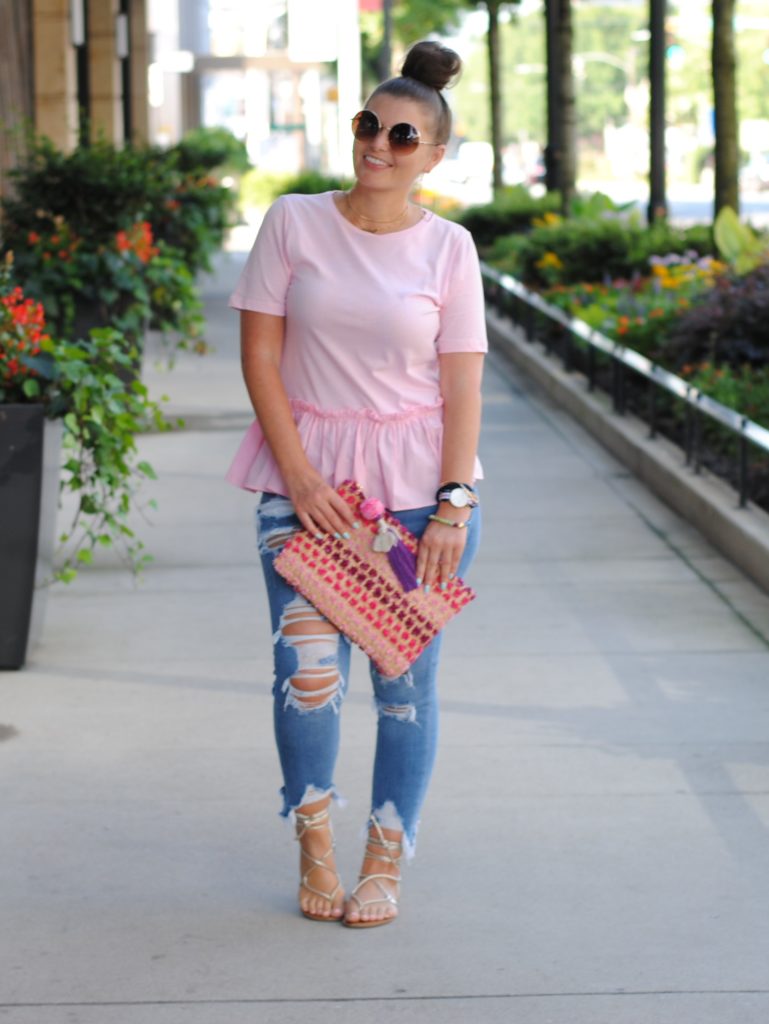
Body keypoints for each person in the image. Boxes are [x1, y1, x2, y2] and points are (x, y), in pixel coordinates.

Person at [227, 40, 487, 928]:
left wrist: (455, 502)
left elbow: (461, 385)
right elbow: (259, 353)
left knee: (404, 688)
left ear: (433, 154)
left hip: (417, 498)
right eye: (369, 126)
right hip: (304, 486)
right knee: (305, 675)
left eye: (402, 135)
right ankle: (313, 841)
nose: (379, 144)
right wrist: (296, 474)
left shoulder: (450, 249)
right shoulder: (292, 222)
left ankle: (386, 853)